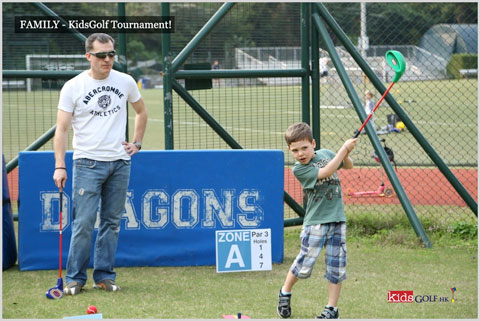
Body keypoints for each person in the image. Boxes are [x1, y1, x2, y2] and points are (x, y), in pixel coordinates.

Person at [53, 33, 148, 295]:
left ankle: (104, 276)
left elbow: (141, 111)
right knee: (83, 223)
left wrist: (136, 143)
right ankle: (75, 278)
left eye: (111, 54)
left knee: (111, 223)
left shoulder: (125, 81)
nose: (108, 59)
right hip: (86, 163)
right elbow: (61, 130)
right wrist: (60, 166)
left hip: (119, 163)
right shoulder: (73, 86)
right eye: (101, 55)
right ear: (88, 56)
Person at [278, 122, 357, 319]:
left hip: (337, 219)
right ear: (290, 151)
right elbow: (327, 172)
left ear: (313, 144)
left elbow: (348, 165)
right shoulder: (299, 169)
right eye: (295, 150)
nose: (300, 153)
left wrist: (346, 154)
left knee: (336, 266)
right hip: (316, 222)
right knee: (304, 263)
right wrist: (343, 149)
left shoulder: (327, 154)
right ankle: (285, 292)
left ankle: (332, 309)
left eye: (304, 148)